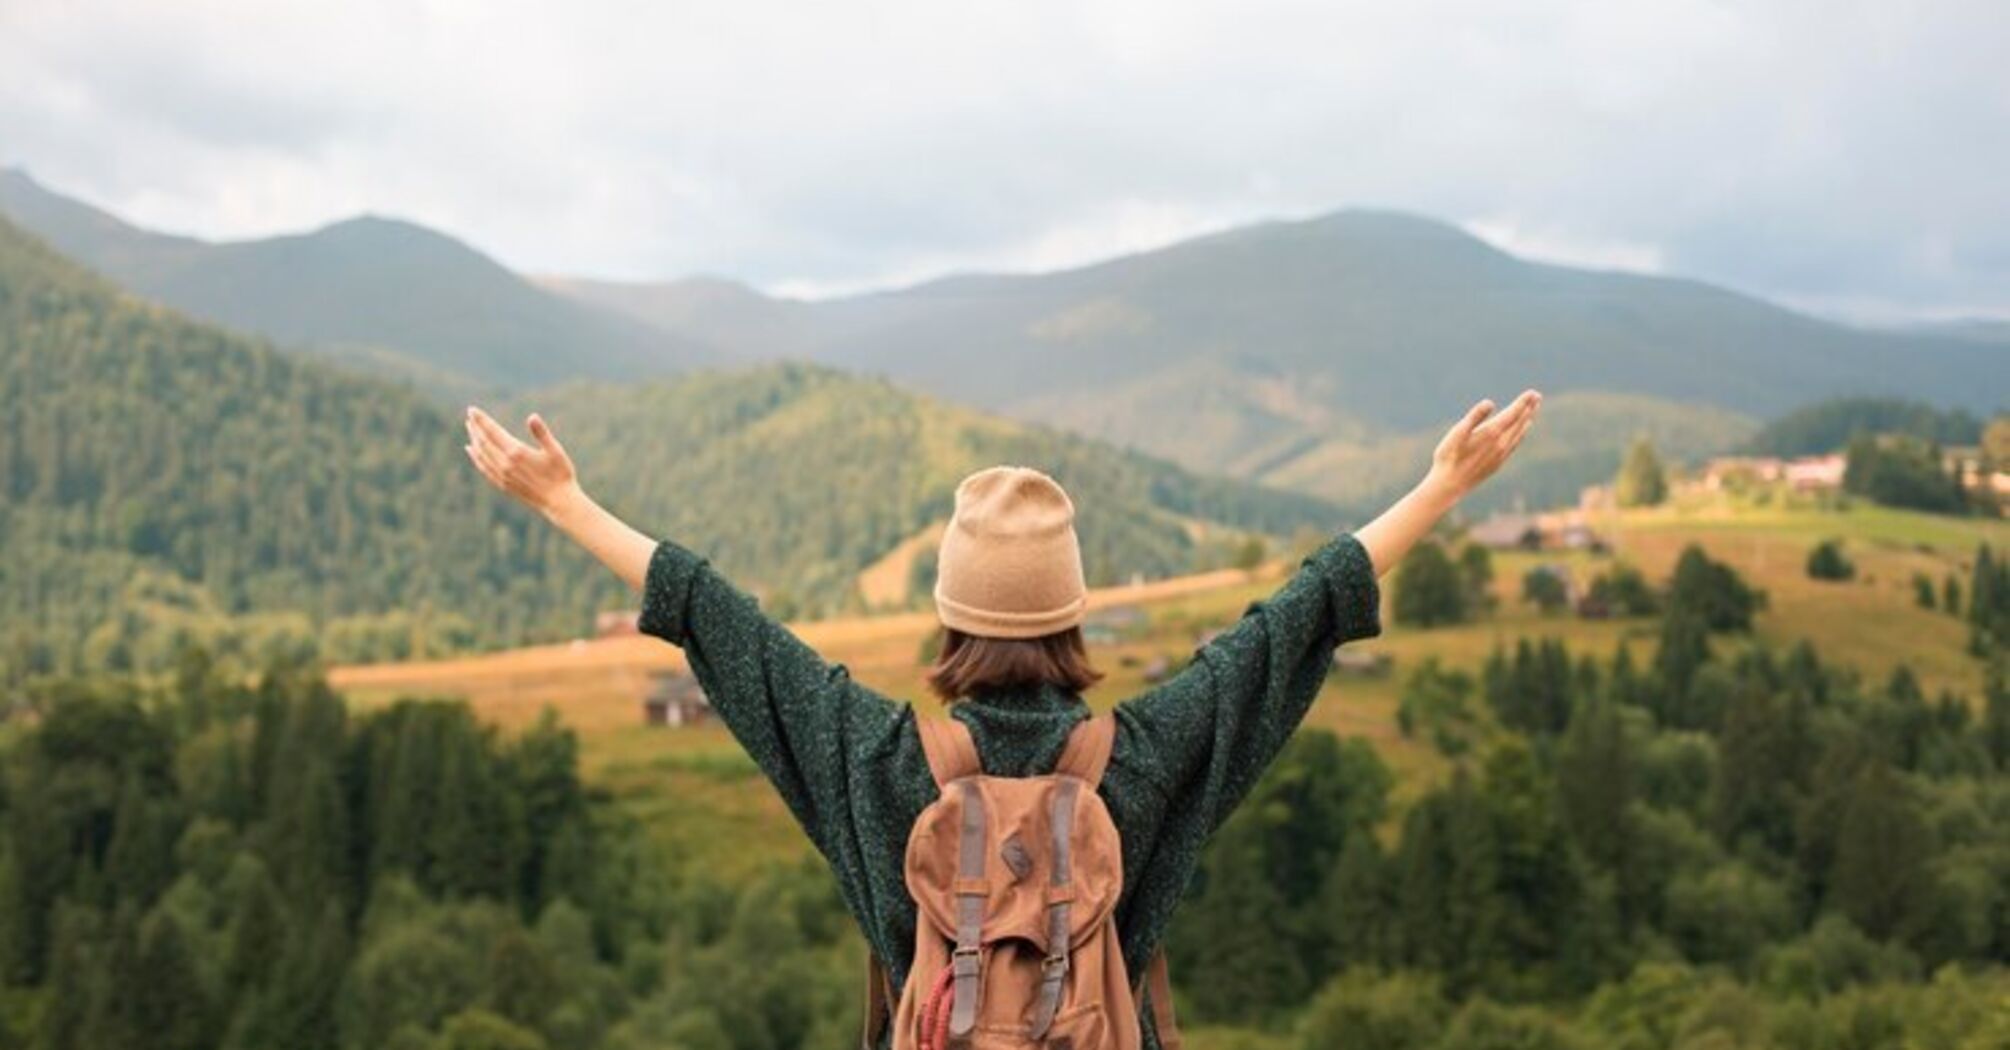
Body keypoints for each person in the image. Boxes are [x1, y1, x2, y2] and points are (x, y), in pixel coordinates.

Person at [462, 388, 1541, 1046]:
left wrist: (562, 499)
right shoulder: (1151, 753)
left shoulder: (873, 756)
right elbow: (1299, 616)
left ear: (947, 614)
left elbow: (715, 618)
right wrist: (1442, 487)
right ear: (1071, 612)